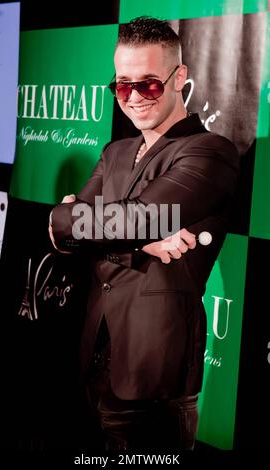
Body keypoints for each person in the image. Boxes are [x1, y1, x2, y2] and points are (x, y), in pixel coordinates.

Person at [49, 16, 239, 451]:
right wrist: (141, 236)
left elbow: (128, 218)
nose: (134, 97)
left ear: (180, 78)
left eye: (149, 84)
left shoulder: (210, 151)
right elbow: (68, 231)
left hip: (155, 374)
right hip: (92, 357)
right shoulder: (114, 152)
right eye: (122, 85)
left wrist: (84, 220)